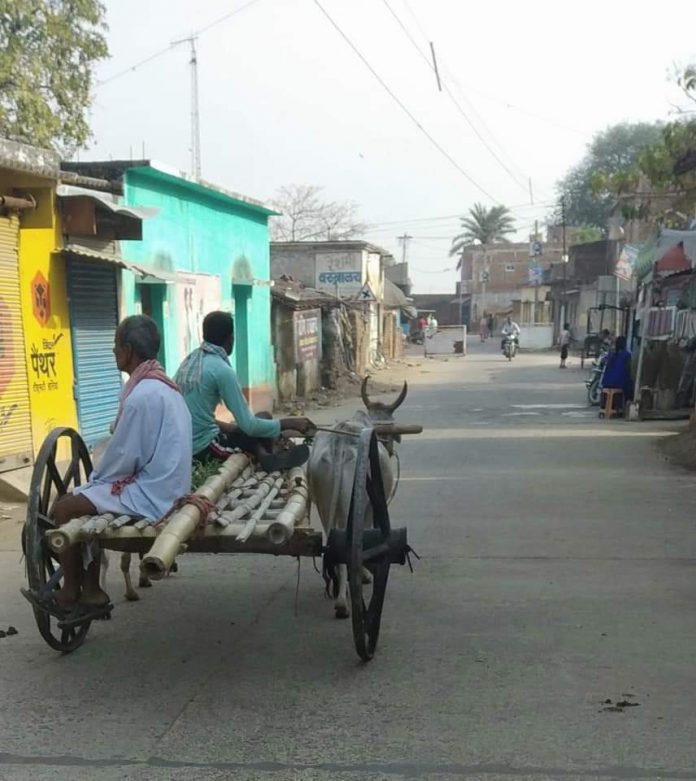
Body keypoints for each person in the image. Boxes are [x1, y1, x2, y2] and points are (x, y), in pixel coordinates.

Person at [21, 315, 193, 622]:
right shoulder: (164, 388)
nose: (113, 352)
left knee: (65, 509)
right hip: (167, 483)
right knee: (86, 498)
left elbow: (124, 457)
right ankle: (91, 591)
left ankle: (73, 592)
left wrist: (94, 483)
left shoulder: (143, 395)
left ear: (127, 350)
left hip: (154, 492)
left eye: (116, 347)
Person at [175, 311, 313, 469]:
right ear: (230, 338)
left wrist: (232, 427)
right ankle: (268, 456)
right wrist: (291, 423)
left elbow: (194, 413)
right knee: (249, 433)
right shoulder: (221, 370)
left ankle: (271, 452)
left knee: (263, 417)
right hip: (202, 447)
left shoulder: (190, 362)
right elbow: (249, 425)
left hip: (185, 442)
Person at [601, 335, 633, 410]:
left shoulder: (611, 354)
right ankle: (622, 408)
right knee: (630, 387)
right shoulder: (626, 355)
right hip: (619, 383)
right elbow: (628, 369)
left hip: (606, 383)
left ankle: (607, 406)